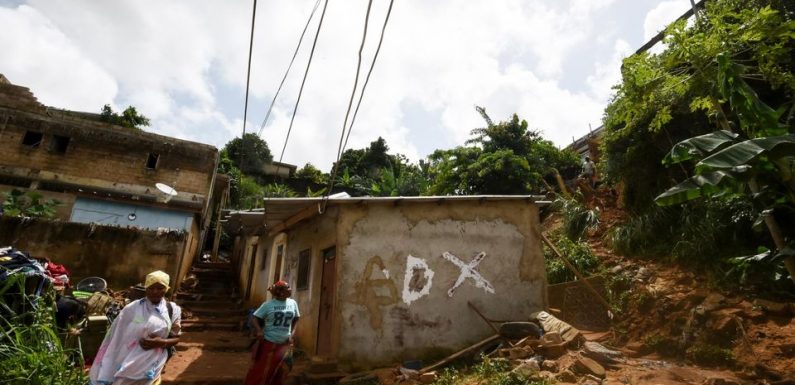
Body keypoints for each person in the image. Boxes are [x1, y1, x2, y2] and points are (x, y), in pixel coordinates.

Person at [89, 271, 181, 385]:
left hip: (152, 366)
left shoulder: (172, 310)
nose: (155, 291)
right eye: (151, 288)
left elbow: (176, 338)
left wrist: (161, 342)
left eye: (160, 288)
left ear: (167, 288)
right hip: (125, 362)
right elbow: (116, 336)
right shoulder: (132, 308)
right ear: (146, 288)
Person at [244, 280, 300, 385]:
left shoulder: (293, 303)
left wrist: (292, 334)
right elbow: (254, 317)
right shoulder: (268, 305)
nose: (290, 290)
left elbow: (296, 318)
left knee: (282, 370)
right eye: (287, 288)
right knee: (263, 371)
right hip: (270, 343)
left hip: (285, 344)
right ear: (280, 292)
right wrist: (259, 331)